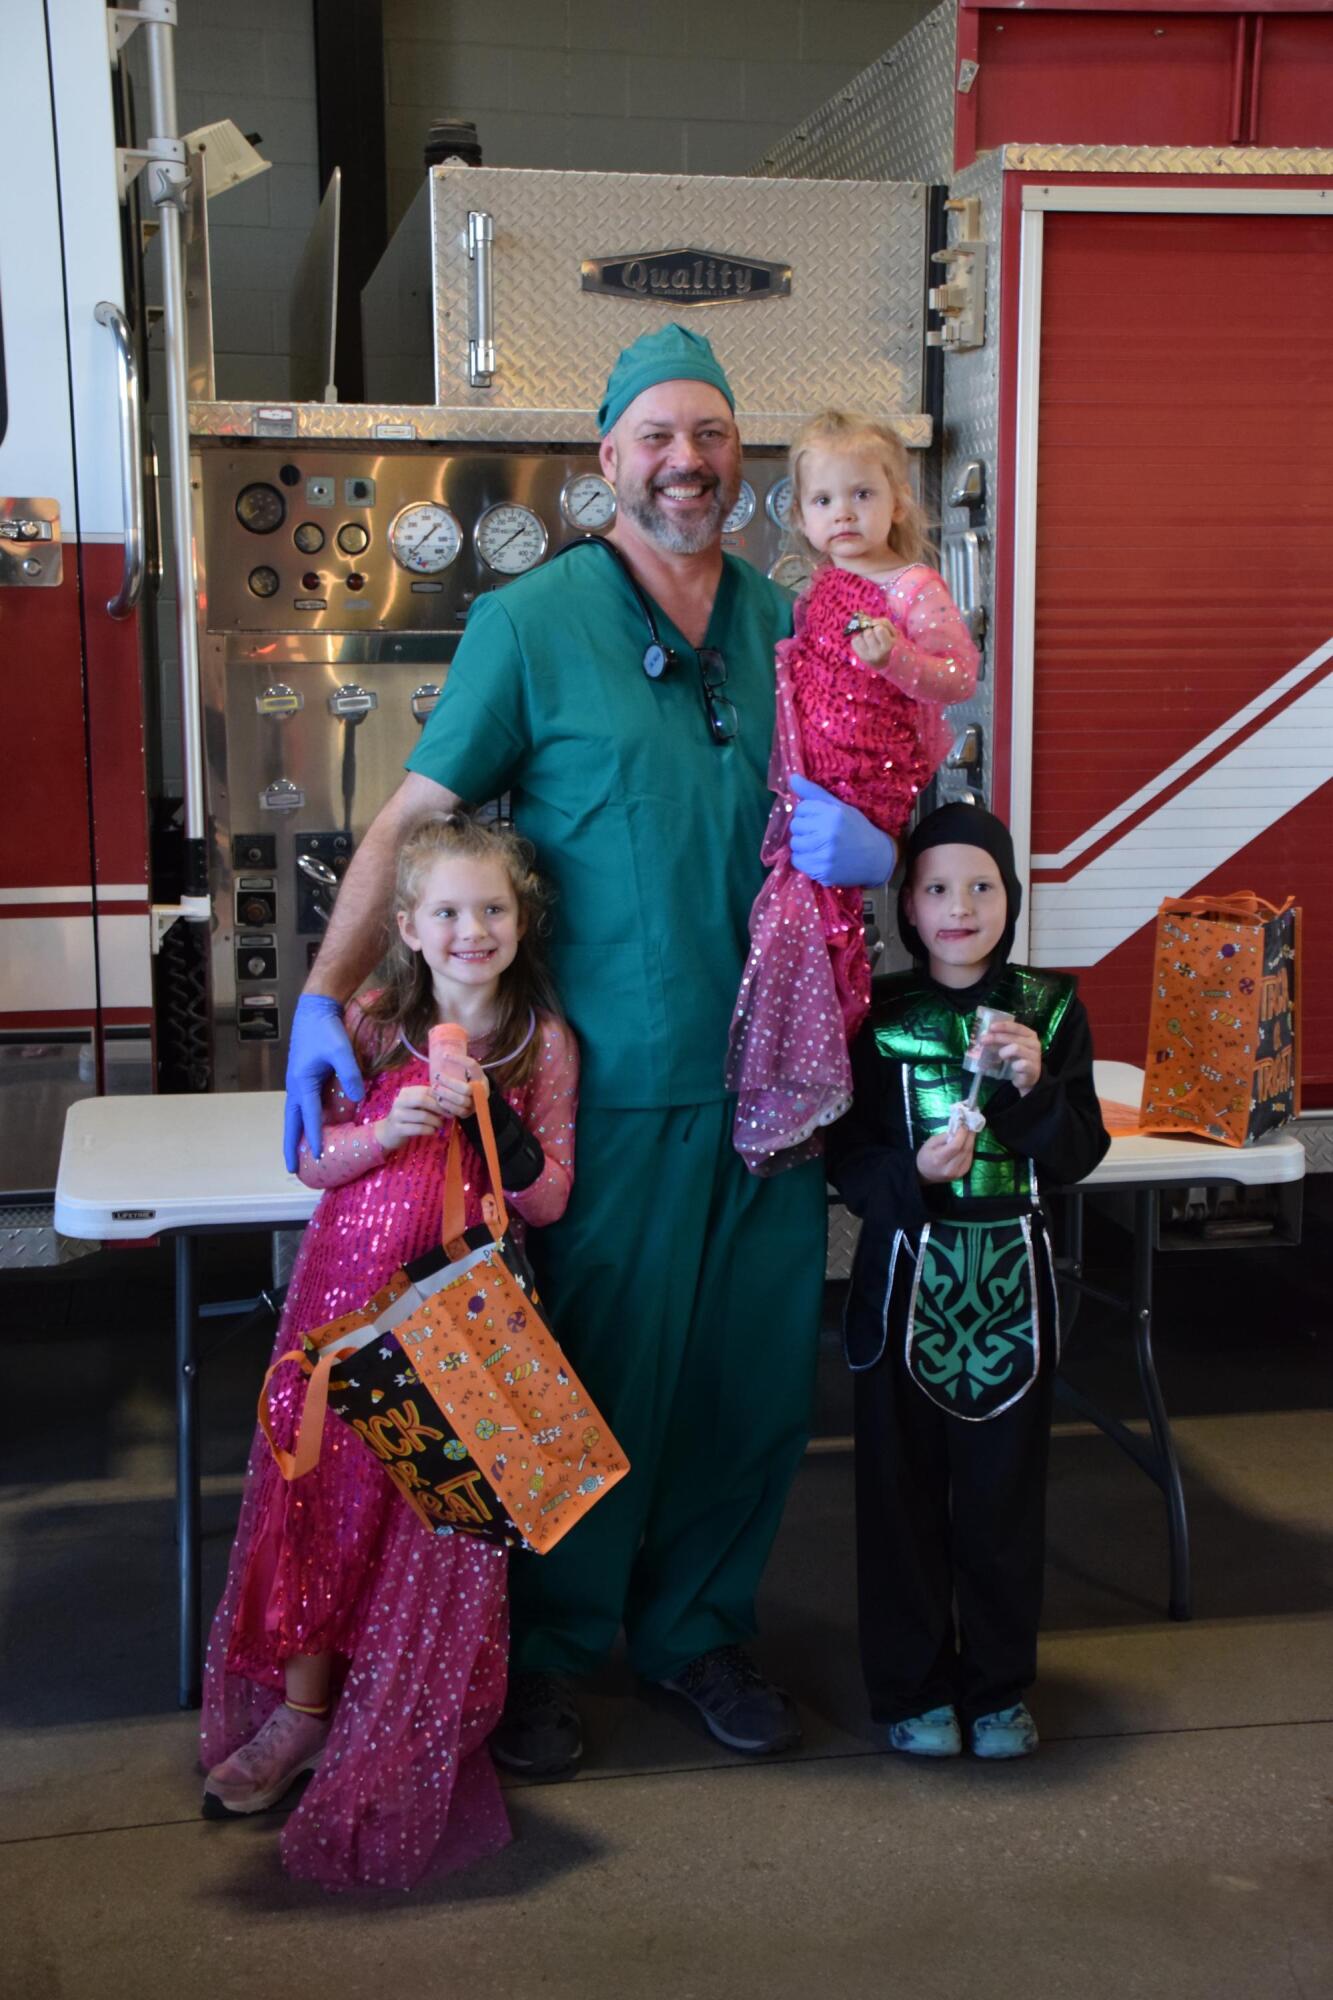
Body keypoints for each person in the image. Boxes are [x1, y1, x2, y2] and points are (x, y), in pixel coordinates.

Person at [280, 324, 898, 1776]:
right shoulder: (535, 625)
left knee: (750, 1387)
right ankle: (548, 1650)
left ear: (737, 461)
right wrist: (328, 995)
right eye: (658, 438)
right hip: (603, 1100)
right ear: (606, 460)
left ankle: (698, 1634)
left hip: (774, 1093)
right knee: (586, 1384)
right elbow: (409, 822)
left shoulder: (786, 619)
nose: (687, 462)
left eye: (712, 436)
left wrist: (879, 844)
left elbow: (882, 765)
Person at [201, 812, 577, 1888]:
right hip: (345, 1307)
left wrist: (492, 1121)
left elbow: (550, 1193)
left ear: (521, 919)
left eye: (492, 908)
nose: (472, 929)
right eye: (448, 911)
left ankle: (392, 1725)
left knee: (434, 1532)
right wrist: (387, 1129)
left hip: (466, 1326)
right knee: (323, 1513)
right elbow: (314, 1165)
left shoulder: (541, 1040)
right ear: (406, 926)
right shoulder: (371, 1021)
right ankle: (301, 1716)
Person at [825, 803, 1109, 1760]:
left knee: (1001, 1499)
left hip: (1011, 1297)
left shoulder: (1051, 1010)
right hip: (902, 1290)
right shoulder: (878, 1017)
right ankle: (908, 1690)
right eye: (937, 887)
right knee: (898, 1499)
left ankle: (996, 1690)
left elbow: (1077, 1154)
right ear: (906, 904)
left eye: (981, 886)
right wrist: (914, 1178)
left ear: (1010, 899)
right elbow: (849, 1159)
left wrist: (1033, 1092)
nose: (960, 906)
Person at [727, 410, 979, 1174]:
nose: (843, 514)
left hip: (868, 789)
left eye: (862, 494)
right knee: (794, 932)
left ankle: (821, 1081)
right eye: (824, 500)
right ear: (800, 514)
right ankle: (804, 1082)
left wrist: (898, 659)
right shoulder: (822, 589)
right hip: (813, 789)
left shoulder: (912, 585)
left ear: (897, 501)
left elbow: (958, 675)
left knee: (827, 938)